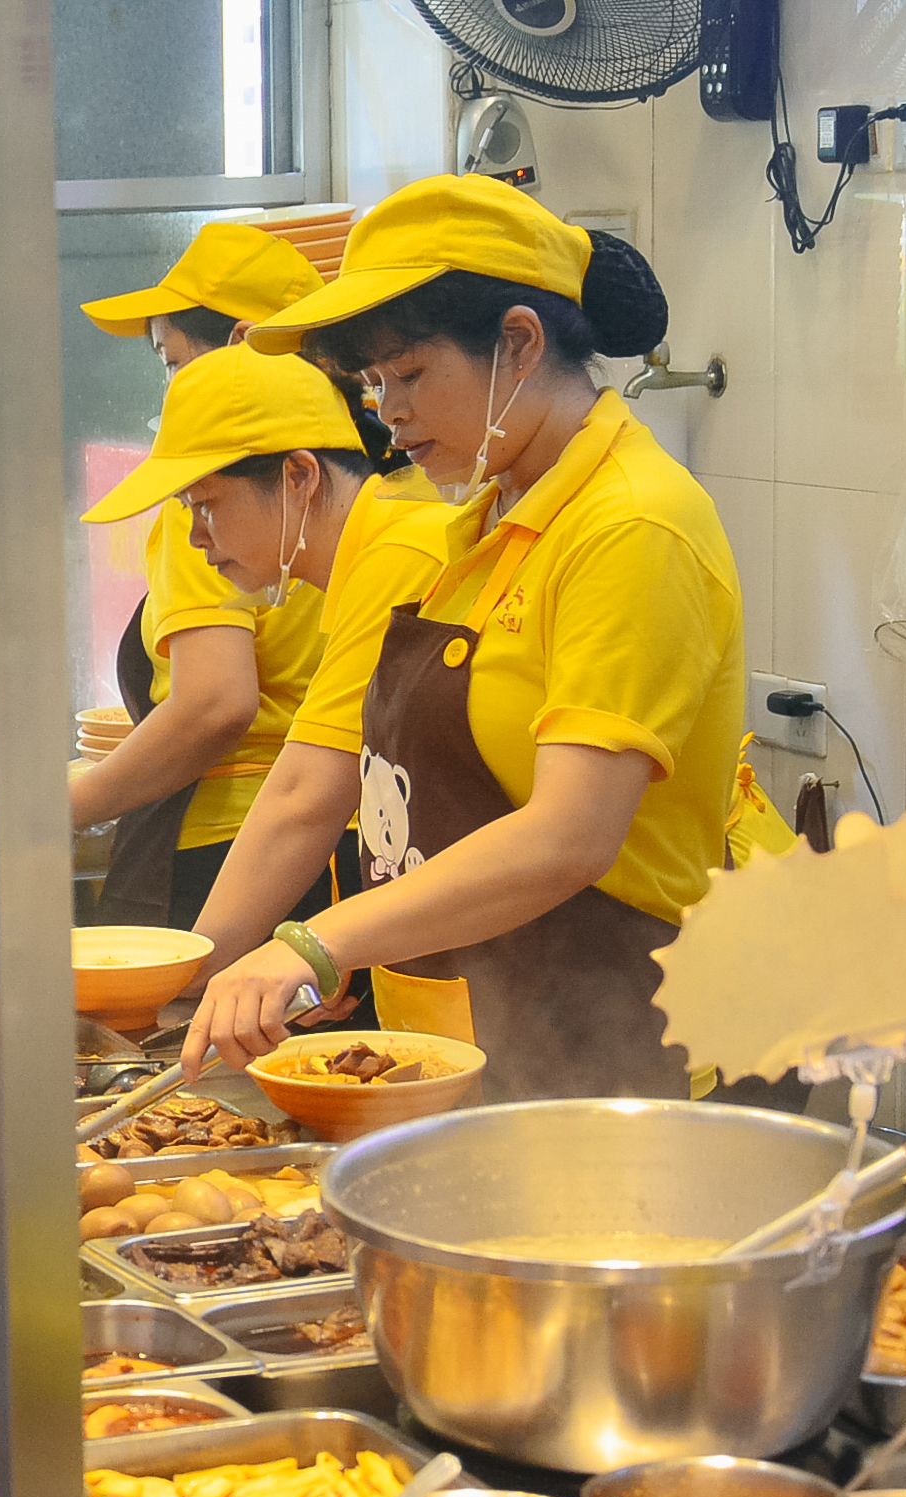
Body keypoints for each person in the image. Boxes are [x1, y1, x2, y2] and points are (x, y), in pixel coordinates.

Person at [186, 174, 744, 1103]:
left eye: (409, 375)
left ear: (519, 344)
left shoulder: (632, 525)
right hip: (456, 1048)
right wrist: (346, 956)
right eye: (374, 385)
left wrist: (320, 939)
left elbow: (570, 834)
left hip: (602, 1053)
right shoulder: (474, 527)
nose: (389, 415)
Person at [77, 345, 454, 988]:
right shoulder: (373, 557)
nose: (196, 537)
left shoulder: (400, 555)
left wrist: (180, 978)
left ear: (298, 476)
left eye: (206, 504)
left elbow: (308, 794)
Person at [70, 223, 334, 930]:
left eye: (172, 362)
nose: (197, 525)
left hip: (225, 845)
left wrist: (63, 812)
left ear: (243, 345)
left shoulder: (222, 501)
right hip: (342, 840)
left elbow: (215, 704)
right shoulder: (371, 482)